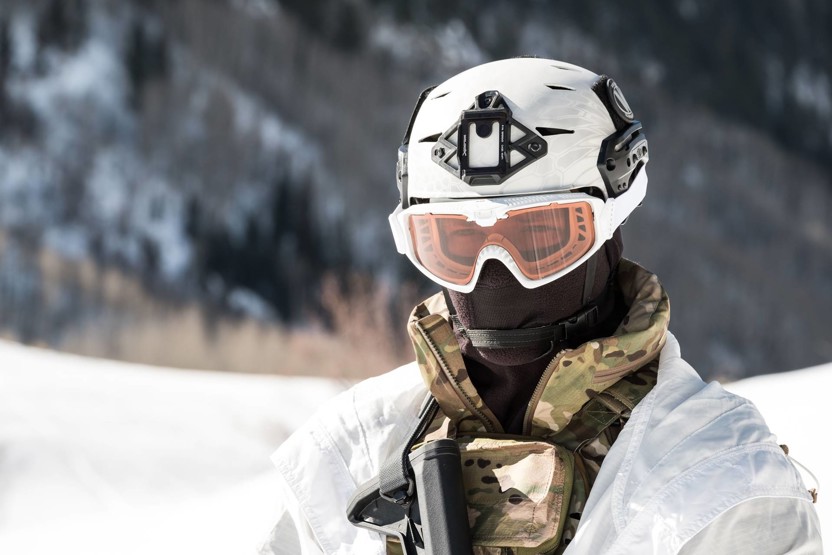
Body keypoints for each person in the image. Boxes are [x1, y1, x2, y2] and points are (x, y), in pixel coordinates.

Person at [259, 58, 822, 554]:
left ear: (609, 227)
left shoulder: (717, 483)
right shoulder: (344, 456)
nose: (494, 272)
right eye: (455, 243)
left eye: (539, 238)